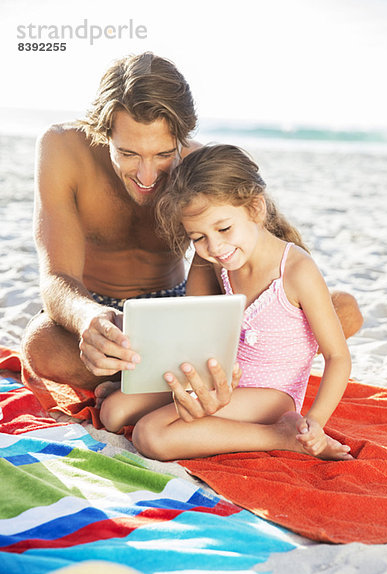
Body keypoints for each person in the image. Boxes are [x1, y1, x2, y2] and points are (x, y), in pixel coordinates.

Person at [22, 51, 362, 423]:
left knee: (343, 309)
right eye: (129, 154)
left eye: (164, 154)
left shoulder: (198, 167)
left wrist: (205, 322)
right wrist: (88, 318)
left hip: (176, 306)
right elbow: (56, 277)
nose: (148, 176)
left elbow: (257, 239)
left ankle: (149, 385)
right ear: (103, 132)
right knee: (41, 346)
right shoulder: (62, 148)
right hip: (95, 308)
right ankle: (173, 383)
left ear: (183, 137)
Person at [98, 144, 354, 462]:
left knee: (150, 435)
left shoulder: (296, 270)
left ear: (256, 209)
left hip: (270, 397)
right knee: (113, 412)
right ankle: (202, 418)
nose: (215, 246)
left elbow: (338, 356)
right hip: (220, 381)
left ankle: (281, 435)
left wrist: (315, 421)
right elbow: (194, 325)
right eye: (198, 237)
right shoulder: (216, 259)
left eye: (223, 228)